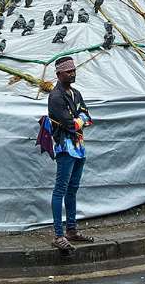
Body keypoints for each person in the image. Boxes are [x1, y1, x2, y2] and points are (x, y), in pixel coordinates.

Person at [48, 56, 94, 252]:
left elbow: (88, 117)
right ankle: (58, 235)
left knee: (73, 189)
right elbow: (70, 124)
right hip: (65, 148)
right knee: (60, 189)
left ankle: (71, 230)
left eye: (74, 70)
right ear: (59, 74)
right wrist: (79, 119)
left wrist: (78, 120)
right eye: (69, 71)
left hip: (79, 147)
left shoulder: (76, 93)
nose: (73, 73)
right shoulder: (56, 97)